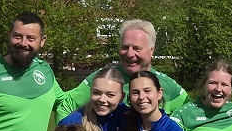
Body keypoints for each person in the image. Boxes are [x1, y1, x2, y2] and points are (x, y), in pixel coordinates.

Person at [58, 19, 188, 118]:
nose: (130, 54)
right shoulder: (103, 78)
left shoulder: (168, 86)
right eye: (125, 47)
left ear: (152, 50)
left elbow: (192, 114)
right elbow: (65, 107)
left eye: (137, 48)